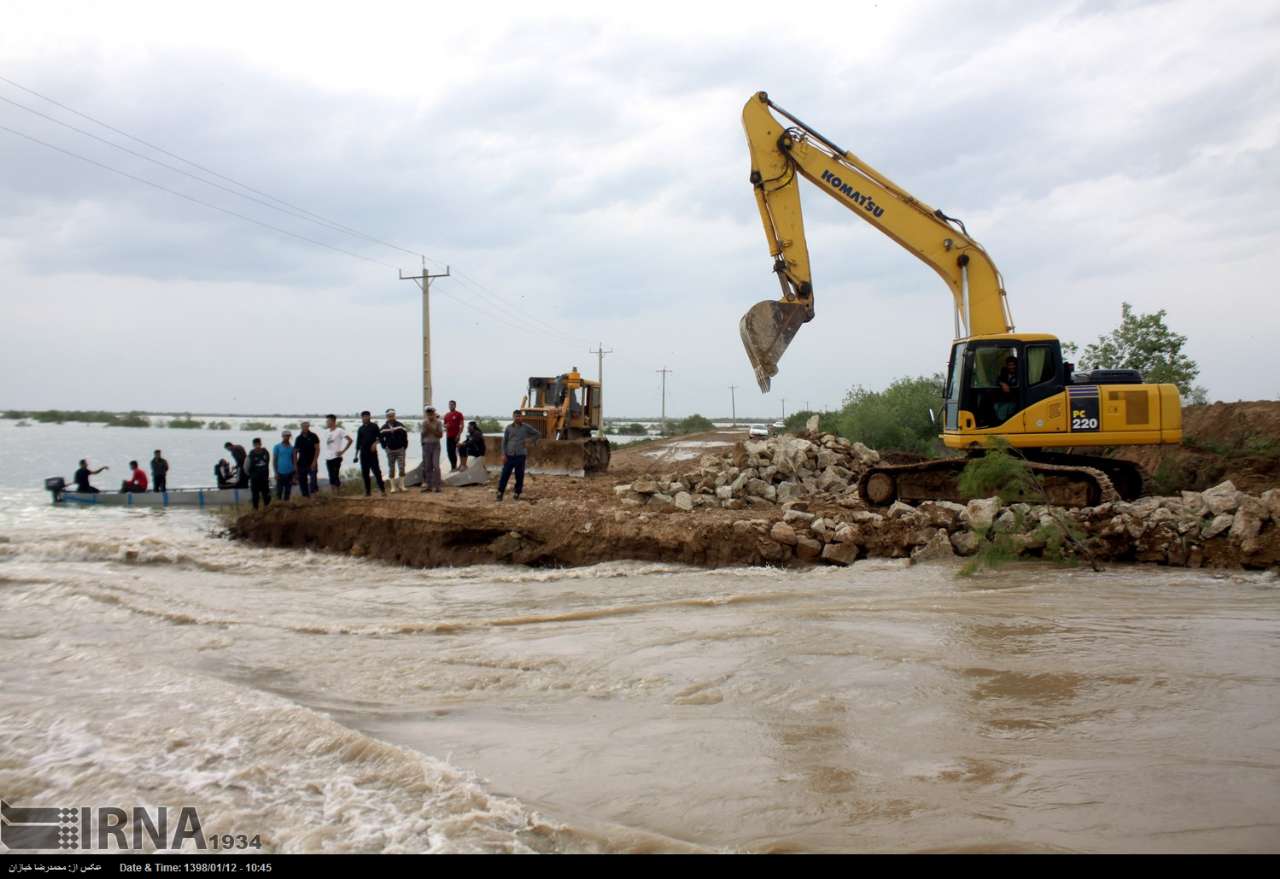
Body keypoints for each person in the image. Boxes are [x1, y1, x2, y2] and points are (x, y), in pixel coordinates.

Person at [497, 411, 541, 501]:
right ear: (513, 417)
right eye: (516, 416)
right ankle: (500, 493)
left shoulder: (526, 427)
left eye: (520, 416)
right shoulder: (509, 428)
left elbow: (537, 434)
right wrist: (503, 454)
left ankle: (517, 493)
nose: (518, 418)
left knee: (519, 475)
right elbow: (504, 442)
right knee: (505, 475)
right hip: (509, 455)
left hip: (520, 455)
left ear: (522, 417)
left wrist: (529, 441)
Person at [354, 411, 386, 497]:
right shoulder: (360, 429)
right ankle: (368, 492)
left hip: (372, 454)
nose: (365, 418)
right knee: (365, 473)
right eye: (363, 416)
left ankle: (383, 490)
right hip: (363, 454)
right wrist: (356, 455)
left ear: (369, 417)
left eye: (367, 416)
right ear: (362, 418)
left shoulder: (374, 426)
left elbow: (380, 437)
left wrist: (375, 443)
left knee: (377, 472)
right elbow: (358, 442)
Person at [379, 409, 409, 493]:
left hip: (400, 449)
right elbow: (380, 438)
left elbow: (405, 436)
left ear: (395, 416)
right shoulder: (384, 427)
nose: (391, 417)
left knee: (402, 467)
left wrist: (404, 446)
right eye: (389, 416)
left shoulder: (400, 425)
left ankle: (401, 486)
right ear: (387, 417)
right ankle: (393, 487)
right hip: (390, 450)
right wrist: (384, 446)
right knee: (391, 468)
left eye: (392, 415)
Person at [323, 414, 352, 493]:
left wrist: (343, 451)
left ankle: (338, 492)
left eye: (328, 421)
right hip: (328, 457)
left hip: (336, 457)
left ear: (333, 421)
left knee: (335, 474)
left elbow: (350, 440)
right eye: (326, 421)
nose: (327, 422)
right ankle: (333, 493)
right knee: (331, 475)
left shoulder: (339, 430)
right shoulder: (326, 431)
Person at [293, 421, 321, 498]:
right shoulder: (298, 438)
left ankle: (315, 497)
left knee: (313, 481)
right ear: (301, 427)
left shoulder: (313, 436)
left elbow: (317, 449)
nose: (305, 428)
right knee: (302, 482)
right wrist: (295, 465)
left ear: (308, 427)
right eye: (303, 427)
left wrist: (314, 461)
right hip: (301, 463)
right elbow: (295, 452)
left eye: (306, 426)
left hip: (312, 462)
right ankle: (306, 498)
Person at [420, 407, 444, 493]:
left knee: (436, 466)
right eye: (428, 414)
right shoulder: (424, 423)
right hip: (426, 445)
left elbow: (440, 435)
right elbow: (423, 434)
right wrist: (422, 443)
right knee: (428, 466)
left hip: (435, 445)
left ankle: (438, 486)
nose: (430, 415)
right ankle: (429, 486)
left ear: (434, 413)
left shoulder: (438, 422)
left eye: (431, 413)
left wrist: (431, 428)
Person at [247, 438, 271, 510]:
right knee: (255, 495)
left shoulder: (265, 452)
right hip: (255, 479)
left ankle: (267, 508)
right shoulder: (251, 454)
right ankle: (255, 509)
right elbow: (246, 466)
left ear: (260, 444)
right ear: (253, 445)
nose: (257, 446)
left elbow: (267, 463)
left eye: (258, 444)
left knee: (266, 495)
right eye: (255, 445)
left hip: (264, 478)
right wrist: (251, 475)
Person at [994, 355, 1019, 423]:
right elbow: (997, 380)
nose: (1012, 367)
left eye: (1013, 365)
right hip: (1002, 398)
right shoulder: (1004, 371)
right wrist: (1002, 383)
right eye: (1009, 365)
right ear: (1007, 366)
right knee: (995, 406)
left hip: (1014, 399)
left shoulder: (1019, 373)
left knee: (1002, 412)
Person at [273, 430, 296, 501]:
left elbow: (294, 461)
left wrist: (295, 474)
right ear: (282, 436)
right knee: (279, 492)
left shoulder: (292, 448)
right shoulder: (277, 447)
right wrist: (275, 472)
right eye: (285, 436)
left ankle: (286, 508)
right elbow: (274, 460)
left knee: (287, 492)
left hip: (290, 472)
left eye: (288, 436)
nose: (287, 437)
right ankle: (278, 507)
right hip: (280, 472)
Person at [444, 400, 465, 471]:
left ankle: (454, 467)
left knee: (454, 452)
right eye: (449, 405)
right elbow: (445, 425)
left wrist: (459, 435)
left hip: (456, 436)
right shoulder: (446, 415)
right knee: (449, 452)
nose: (451, 406)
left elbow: (462, 425)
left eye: (452, 405)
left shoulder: (459, 414)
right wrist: (445, 426)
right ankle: (453, 467)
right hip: (448, 436)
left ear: (455, 405)